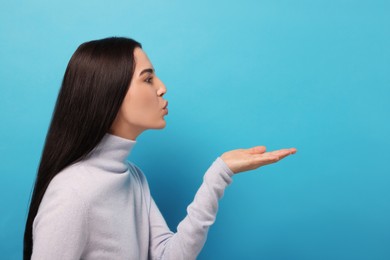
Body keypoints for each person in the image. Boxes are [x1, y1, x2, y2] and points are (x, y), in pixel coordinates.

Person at [23, 36, 297, 260]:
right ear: (110, 91)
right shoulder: (72, 193)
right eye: (147, 78)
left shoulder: (133, 177)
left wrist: (220, 172)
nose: (162, 88)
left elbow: (170, 256)